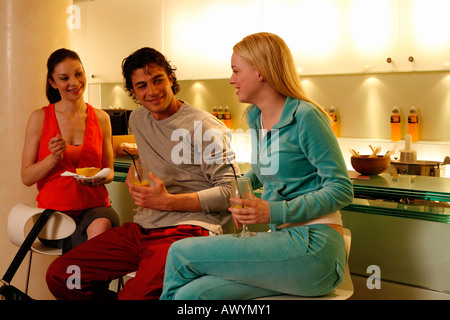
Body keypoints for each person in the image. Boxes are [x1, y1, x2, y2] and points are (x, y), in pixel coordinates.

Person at [160, 32, 354, 300]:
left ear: (260, 71)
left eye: (236, 70)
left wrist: (272, 211)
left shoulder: (305, 117)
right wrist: (236, 189)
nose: (231, 79)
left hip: (314, 247)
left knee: (180, 253)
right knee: (192, 295)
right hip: (284, 246)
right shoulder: (255, 117)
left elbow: (341, 189)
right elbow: (266, 172)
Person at [46, 47, 239, 300]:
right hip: (143, 230)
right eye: (142, 85)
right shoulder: (138, 119)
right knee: (62, 275)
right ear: (134, 92)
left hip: (189, 232)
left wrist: (168, 201)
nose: (152, 91)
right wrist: (137, 178)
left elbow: (231, 191)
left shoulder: (205, 125)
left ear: (170, 78)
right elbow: (150, 160)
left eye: (158, 80)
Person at [21, 48, 119, 253]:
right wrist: (53, 158)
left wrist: (102, 177)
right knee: (94, 247)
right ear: (53, 83)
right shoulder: (40, 118)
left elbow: (109, 171)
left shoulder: (101, 118)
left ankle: (86, 283)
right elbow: (27, 177)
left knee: (101, 227)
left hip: (96, 207)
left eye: (79, 74)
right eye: (64, 78)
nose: (74, 83)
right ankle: (90, 283)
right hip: (54, 213)